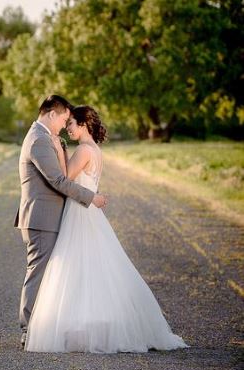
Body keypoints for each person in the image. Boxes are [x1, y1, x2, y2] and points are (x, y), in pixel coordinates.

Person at [24, 105, 189, 353]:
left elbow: (64, 179)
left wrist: (58, 149)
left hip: (80, 212)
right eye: (66, 124)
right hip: (88, 211)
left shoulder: (83, 150)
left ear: (84, 125)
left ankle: (76, 324)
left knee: (77, 267)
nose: (68, 129)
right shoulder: (95, 150)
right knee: (91, 266)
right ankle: (87, 322)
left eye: (71, 124)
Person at [14, 95, 108, 349]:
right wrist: (91, 197)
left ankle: (46, 326)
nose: (65, 126)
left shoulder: (49, 139)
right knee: (38, 272)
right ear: (52, 114)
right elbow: (58, 180)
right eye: (64, 119)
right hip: (42, 218)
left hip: (52, 217)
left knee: (53, 274)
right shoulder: (38, 140)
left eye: (69, 122)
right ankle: (28, 329)